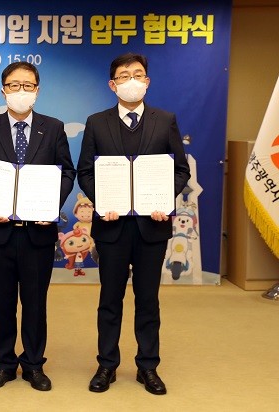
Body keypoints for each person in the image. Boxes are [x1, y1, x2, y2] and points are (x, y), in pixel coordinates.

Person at [77, 53, 191, 395]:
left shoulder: (165, 120)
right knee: (110, 299)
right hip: (112, 227)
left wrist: (163, 200)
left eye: (138, 74)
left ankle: (148, 366)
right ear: (112, 85)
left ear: (147, 81)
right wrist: (103, 201)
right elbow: (85, 172)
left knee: (148, 300)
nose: (132, 81)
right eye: (124, 76)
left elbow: (180, 170)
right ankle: (106, 365)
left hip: (151, 227)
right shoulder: (97, 122)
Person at [0, 62, 75, 391]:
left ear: (37, 90)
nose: (21, 91)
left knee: (35, 302)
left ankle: (34, 364)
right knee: (1, 302)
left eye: (28, 85)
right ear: (3, 90)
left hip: (37, 232)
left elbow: (66, 172)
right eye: (14, 85)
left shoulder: (53, 128)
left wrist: (50, 205)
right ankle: (4, 363)